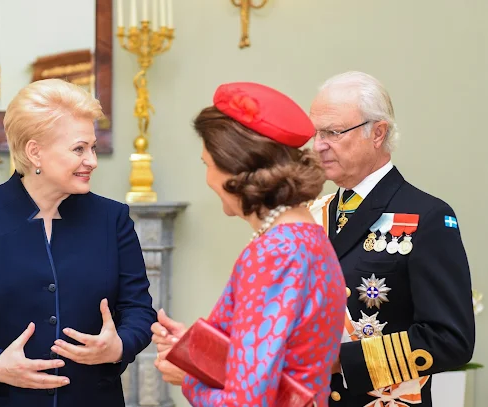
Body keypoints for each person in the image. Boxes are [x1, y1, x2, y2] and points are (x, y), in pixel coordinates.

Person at [0, 79, 156, 407]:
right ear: (35, 151)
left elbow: (139, 310)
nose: (92, 161)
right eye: (79, 148)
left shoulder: (113, 219)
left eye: (93, 148)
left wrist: (119, 346)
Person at [151, 82, 347, 406]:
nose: (207, 179)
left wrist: (189, 378)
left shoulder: (276, 252)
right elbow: (270, 362)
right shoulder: (305, 236)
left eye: (206, 165)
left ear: (234, 169)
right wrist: (195, 351)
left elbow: (247, 401)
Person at [307, 71, 475, 406]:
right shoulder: (313, 213)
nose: (318, 145)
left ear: (377, 133)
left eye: (333, 132)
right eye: (316, 133)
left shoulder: (426, 217)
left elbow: (450, 340)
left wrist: (342, 361)